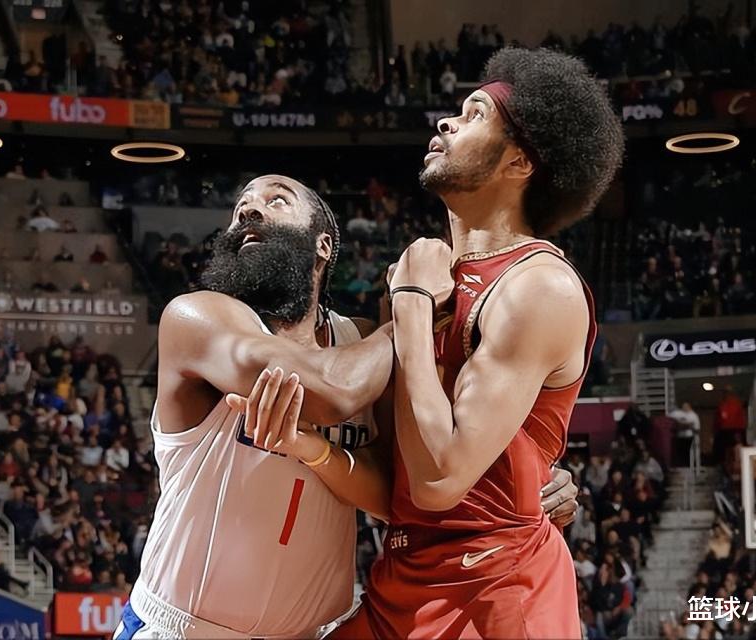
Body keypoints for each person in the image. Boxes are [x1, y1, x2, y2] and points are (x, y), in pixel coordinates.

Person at [117, 174, 579, 639]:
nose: (249, 210)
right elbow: (330, 391)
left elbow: (400, 491)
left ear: (323, 246)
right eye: (241, 207)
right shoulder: (196, 317)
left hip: (312, 634)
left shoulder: (357, 340)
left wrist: (536, 485)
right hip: (182, 627)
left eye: (277, 200)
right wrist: (409, 311)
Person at [329, 46, 623, 639]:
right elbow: (398, 473)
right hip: (404, 571)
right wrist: (304, 446)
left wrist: (411, 305)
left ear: (519, 161)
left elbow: (438, 479)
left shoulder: (538, 285)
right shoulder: (425, 275)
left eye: (474, 115)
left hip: (495, 587)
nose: (446, 122)